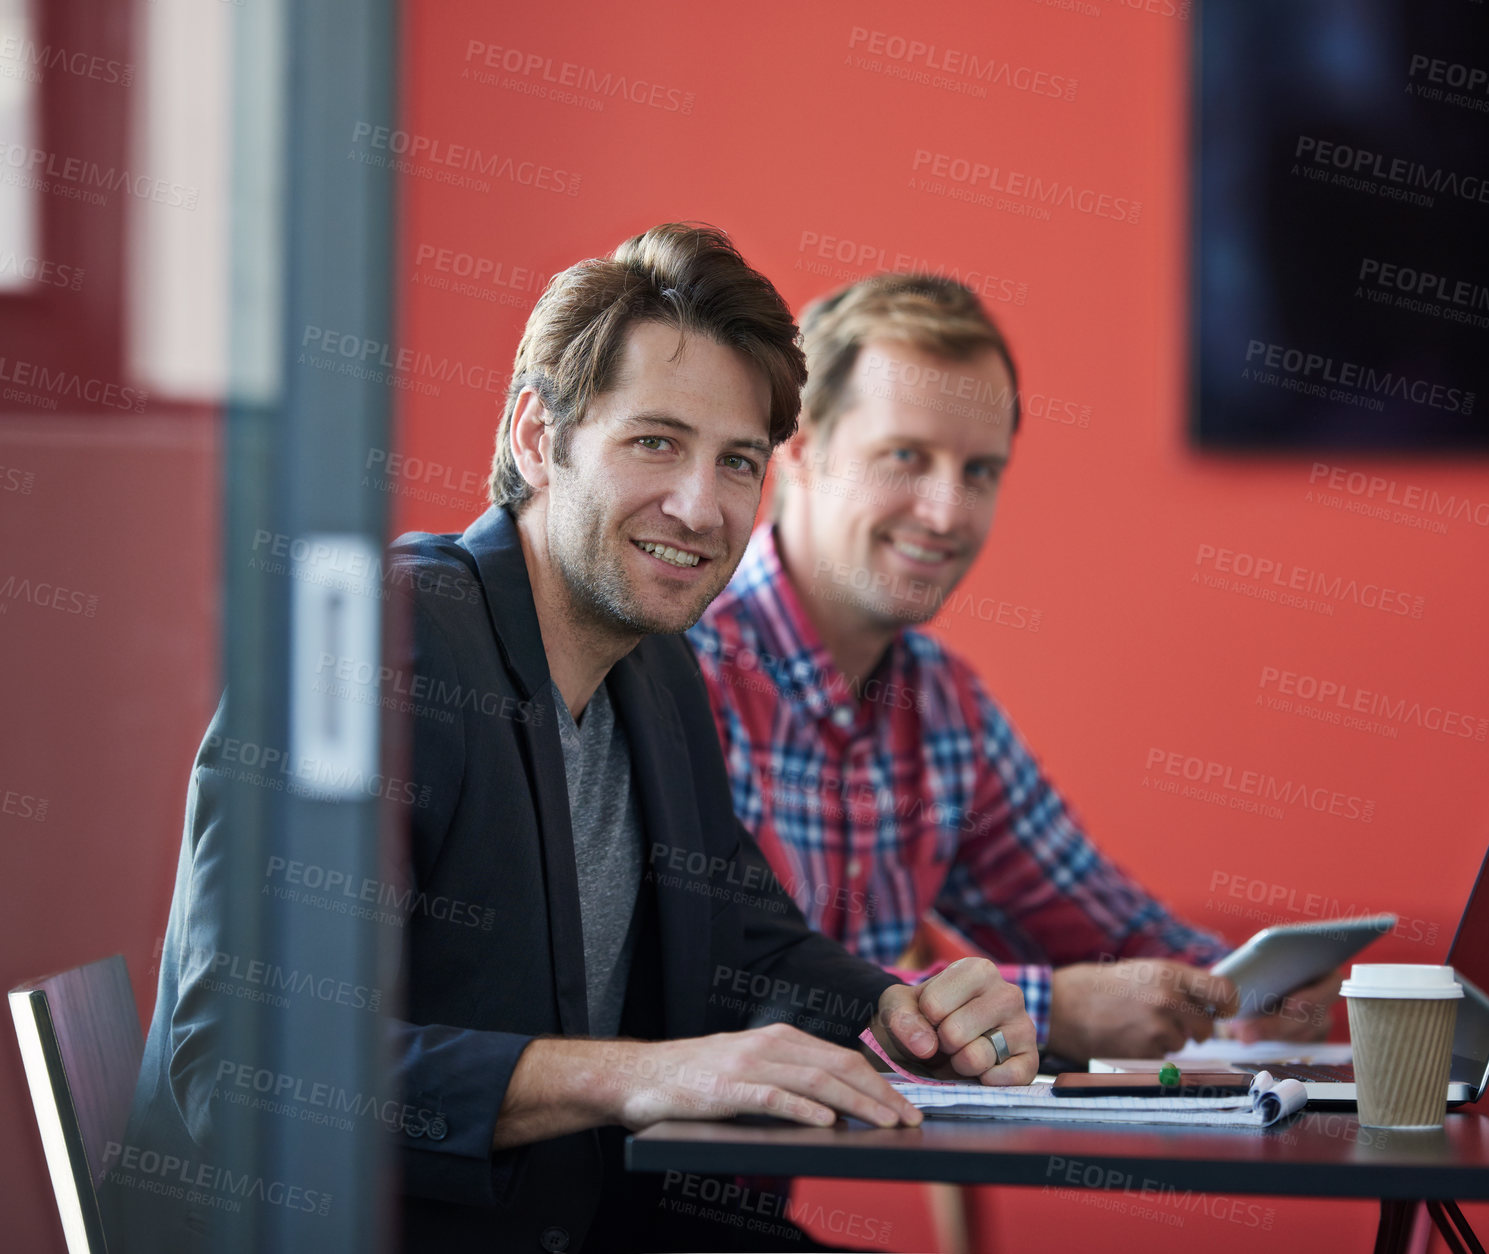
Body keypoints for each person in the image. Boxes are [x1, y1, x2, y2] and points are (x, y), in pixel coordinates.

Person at [117, 230, 1037, 1254]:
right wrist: (637, 1075)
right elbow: (243, 1063)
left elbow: (747, 945)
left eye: (737, 461)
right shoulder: (383, 650)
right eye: (655, 441)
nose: (700, 506)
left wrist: (910, 1015)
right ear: (534, 436)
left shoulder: (657, 670)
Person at [688, 274, 1339, 1066]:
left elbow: (1098, 924)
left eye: (979, 472)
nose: (947, 511)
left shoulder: (941, 705)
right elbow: (712, 994)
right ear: (796, 448)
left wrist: (1248, 991)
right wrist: (1048, 1012)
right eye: (905, 456)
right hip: (621, 1174)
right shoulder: (684, 669)